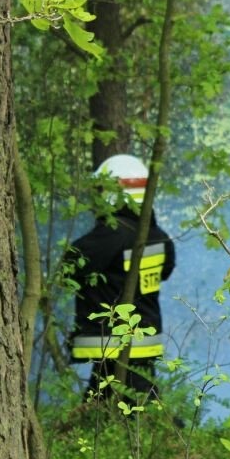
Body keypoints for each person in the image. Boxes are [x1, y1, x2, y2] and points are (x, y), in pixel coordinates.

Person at [65, 154, 176, 403]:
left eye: (100, 190)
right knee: (105, 404)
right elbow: (166, 271)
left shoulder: (112, 234)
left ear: (114, 192)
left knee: (137, 408)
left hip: (114, 339)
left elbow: (69, 265)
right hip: (144, 338)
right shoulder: (159, 237)